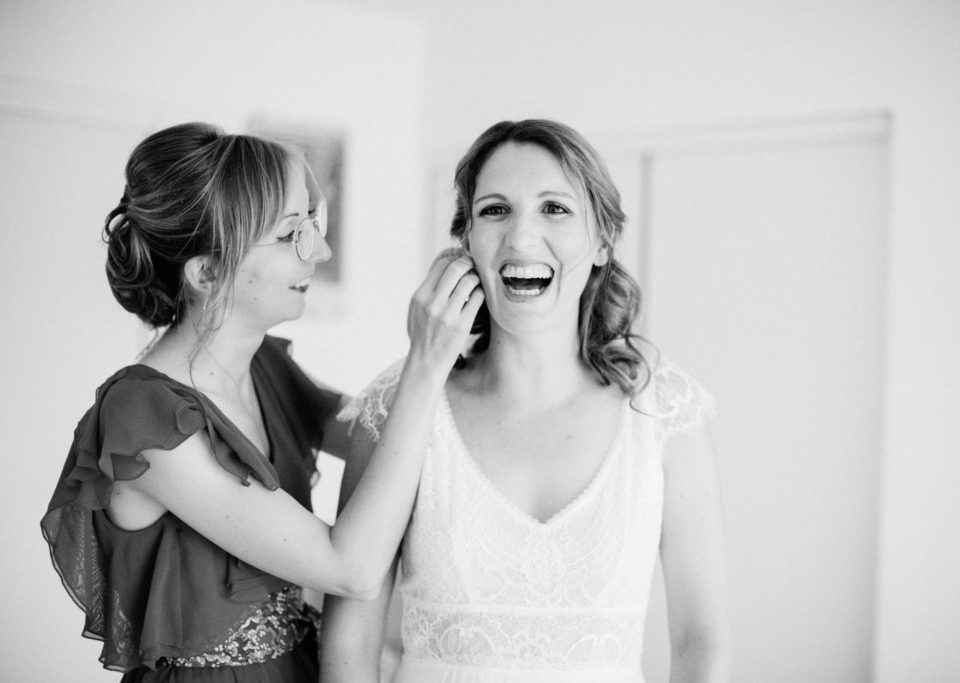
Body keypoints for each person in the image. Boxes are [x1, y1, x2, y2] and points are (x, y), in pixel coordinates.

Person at [40, 122, 484, 682]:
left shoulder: (263, 366)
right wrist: (425, 360)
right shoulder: (143, 417)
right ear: (207, 272)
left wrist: (484, 358)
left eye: (313, 224)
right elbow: (351, 569)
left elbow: (383, 433)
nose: (320, 251)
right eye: (291, 233)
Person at [320, 119, 731, 683]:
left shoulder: (665, 412)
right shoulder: (398, 403)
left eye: (554, 209)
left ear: (602, 242)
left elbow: (700, 641)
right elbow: (350, 643)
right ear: (466, 242)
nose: (520, 237)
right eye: (495, 210)